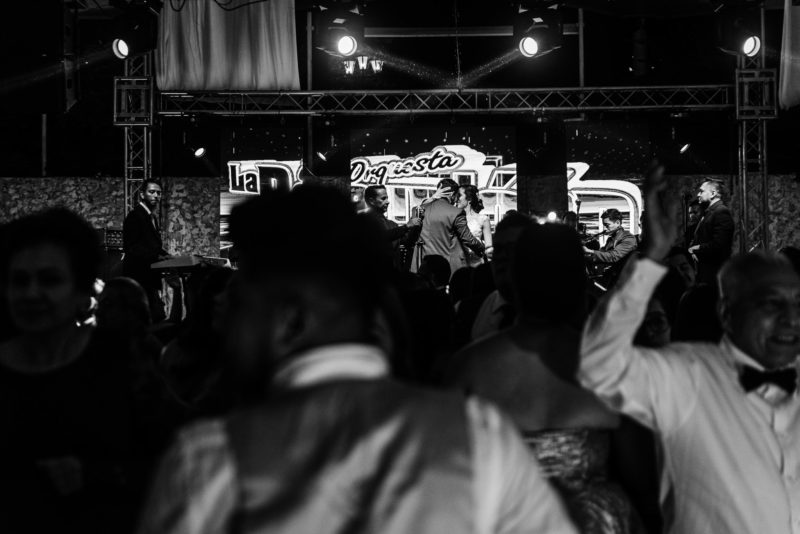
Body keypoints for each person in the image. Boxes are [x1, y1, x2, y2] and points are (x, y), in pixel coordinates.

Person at [138, 185, 577, 534]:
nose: (229, 323)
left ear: (289, 319)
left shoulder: (211, 459)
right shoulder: (479, 435)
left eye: (244, 305)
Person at [579, 162, 800, 533]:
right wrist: (648, 260)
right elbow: (598, 365)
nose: (790, 320)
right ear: (727, 313)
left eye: (796, 304)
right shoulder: (689, 373)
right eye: (770, 305)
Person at [449, 223, 645, 534]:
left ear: (517, 280)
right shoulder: (612, 366)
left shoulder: (467, 367)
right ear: (579, 284)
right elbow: (642, 480)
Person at [0, 208, 140, 533]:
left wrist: (94, 475)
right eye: (19, 281)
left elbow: (169, 459)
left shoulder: (119, 363)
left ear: (81, 291)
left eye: (49, 280)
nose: (32, 293)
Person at [410, 178, 485, 277]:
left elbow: (410, 232)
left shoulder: (419, 209)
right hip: (445, 267)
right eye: (456, 195)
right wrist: (481, 247)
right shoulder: (456, 212)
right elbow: (467, 239)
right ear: (451, 195)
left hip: (422, 265)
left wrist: (431, 198)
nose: (456, 199)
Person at [123, 179, 170, 322]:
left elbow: (151, 246)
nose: (156, 195)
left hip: (149, 280)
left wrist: (167, 256)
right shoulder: (135, 216)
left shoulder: (151, 217)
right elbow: (132, 248)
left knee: (156, 318)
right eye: (152, 192)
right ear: (142, 195)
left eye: (159, 193)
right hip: (140, 280)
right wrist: (158, 256)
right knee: (152, 319)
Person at [688, 179, 734, 284]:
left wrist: (697, 248)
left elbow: (719, 244)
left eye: (702, 191)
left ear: (713, 193)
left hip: (713, 275)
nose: (698, 195)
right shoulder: (710, 212)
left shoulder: (721, 212)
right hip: (706, 273)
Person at [583, 208, 637, 289]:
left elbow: (613, 256)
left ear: (618, 223)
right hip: (609, 278)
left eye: (607, 225)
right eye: (604, 225)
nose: (605, 229)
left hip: (620, 282)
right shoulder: (611, 239)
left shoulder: (628, 238)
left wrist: (590, 251)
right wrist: (586, 255)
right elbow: (602, 253)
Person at [456, 184, 493, 267]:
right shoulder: (454, 218)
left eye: (459, 195)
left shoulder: (483, 219)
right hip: (458, 264)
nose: (456, 198)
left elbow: (489, 247)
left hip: (476, 263)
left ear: (469, 199)